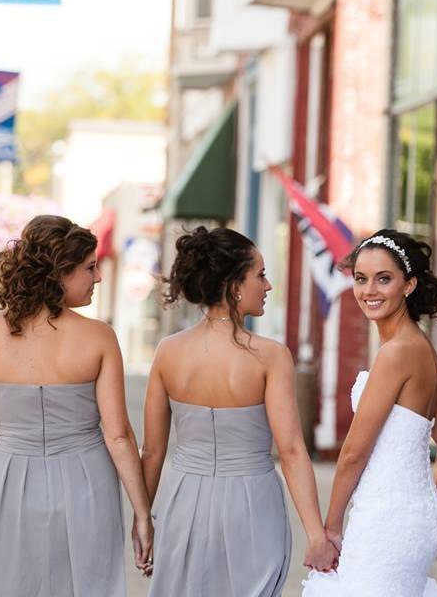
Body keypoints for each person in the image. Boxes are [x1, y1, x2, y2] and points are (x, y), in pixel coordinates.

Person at [0, 214, 152, 597]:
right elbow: (118, 436)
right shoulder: (98, 337)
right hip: (87, 480)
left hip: (7, 478)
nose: (98, 277)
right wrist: (142, 513)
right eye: (89, 268)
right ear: (59, 273)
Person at [142, 226, 336, 597]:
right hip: (252, 504)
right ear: (234, 286)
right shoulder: (271, 356)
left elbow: (153, 451)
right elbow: (293, 451)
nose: (268, 286)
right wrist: (315, 534)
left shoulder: (168, 352)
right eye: (260, 275)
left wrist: (142, 519)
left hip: (184, 501)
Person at [302, 229, 437, 596]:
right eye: (361, 278)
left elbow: (354, 453)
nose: (369, 291)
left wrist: (330, 531)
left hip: (389, 518)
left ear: (409, 285)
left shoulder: (397, 352)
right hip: (417, 516)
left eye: (384, 279)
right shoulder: (422, 347)